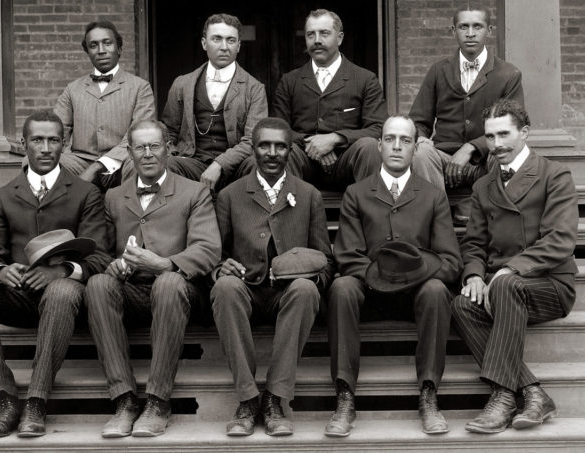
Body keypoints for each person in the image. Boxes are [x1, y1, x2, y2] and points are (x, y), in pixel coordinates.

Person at [0, 110, 110, 438]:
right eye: (37, 140)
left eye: (53, 140)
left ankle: (37, 401)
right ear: (24, 144)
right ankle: (5, 400)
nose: (45, 147)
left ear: (64, 145)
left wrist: (61, 272)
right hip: (18, 295)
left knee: (63, 291)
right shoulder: (4, 196)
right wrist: (2, 270)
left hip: (64, 302)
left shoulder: (85, 193)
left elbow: (101, 256)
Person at [325, 115, 461, 437]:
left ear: (416, 148)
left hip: (417, 296)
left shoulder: (432, 194)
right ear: (379, 145)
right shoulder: (356, 193)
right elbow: (347, 256)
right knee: (342, 287)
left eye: (405, 140)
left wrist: (409, 275)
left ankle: (428, 393)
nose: (396, 146)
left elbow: (451, 261)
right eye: (389, 139)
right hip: (369, 294)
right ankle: (345, 396)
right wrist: (381, 276)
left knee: (438, 290)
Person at [84, 119, 221, 438]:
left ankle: (158, 401)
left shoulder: (194, 192)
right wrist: (114, 265)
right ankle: (124, 400)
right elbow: (99, 251)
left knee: (169, 282)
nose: (148, 154)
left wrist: (165, 263)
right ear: (129, 153)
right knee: (98, 284)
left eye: (154, 146)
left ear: (169, 149)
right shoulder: (114, 197)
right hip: (131, 290)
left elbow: (208, 248)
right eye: (140, 147)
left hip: (179, 289)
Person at [451, 99, 578, 434]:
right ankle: (532, 393)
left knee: (506, 284)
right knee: (463, 303)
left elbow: (561, 240)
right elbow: (474, 243)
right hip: (503, 286)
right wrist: (475, 274)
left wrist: (510, 269)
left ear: (524, 132)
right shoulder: (483, 186)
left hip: (549, 284)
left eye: (504, 134)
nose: (497, 145)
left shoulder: (554, 174)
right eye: (490, 137)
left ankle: (503, 397)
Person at [211, 117, 334, 437]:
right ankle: (249, 399)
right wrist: (220, 267)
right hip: (246, 289)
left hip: (288, 292)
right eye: (264, 145)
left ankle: (275, 400)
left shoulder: (308, 195)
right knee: (224, 287)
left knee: (307, 289)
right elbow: (215, 255)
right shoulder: (230, 195)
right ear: (252, 150)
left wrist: (307, 272)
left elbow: (327, 261)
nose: (272, 152)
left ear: (290, 150)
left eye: (280, 146)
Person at [409, 5, 523, 224]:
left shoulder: (508, 74)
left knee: (506, 150)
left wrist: (471, 147)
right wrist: (421, 137)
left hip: (485, 162)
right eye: (463, 27)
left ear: (488, 30)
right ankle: (436, 218)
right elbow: (419, 119)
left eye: (477, 26)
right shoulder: (438, 70)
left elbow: (513, 124)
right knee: (420, 152)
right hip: (442, 160)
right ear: (454, 31)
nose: (470, 33)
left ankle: (479, 208)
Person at [272, 9, 387, 190]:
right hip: (303, 162)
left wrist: (335, 138)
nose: (317, 40)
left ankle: (371, 214)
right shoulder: (290, 81)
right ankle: (288, 215)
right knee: (284, 150)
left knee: (370, 147)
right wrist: (313, 142)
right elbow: (278, 129)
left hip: (347, 162)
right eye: (311, 34)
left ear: (339, 38)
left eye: (324, 33)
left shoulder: (365, 79)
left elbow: (378, 129)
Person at [162, 13, 268, 191]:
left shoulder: (254, 88)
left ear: (239, 46)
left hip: (236, 167)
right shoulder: (182, 84)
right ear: (204, 43)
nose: (224, 47)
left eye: (231, 40)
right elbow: (169, 131)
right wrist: (174, 154)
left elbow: (253, 139)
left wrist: (219, 164)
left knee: (256, 164)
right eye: (217, 39)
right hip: (192, 163)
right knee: (168, 164)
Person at [54, 20, 156, 190]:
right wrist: (62, 153)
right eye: (93, 45)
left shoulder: (140, 87)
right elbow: (57, 130)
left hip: (122, 163)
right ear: (88, 52)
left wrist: (98, 166)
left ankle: (133, 214)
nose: (101, 50)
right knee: (37, 161)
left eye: (107, 43)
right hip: (81, 162)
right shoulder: (73, 89)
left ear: (119, 49)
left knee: (138, 164)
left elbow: (139, 134)